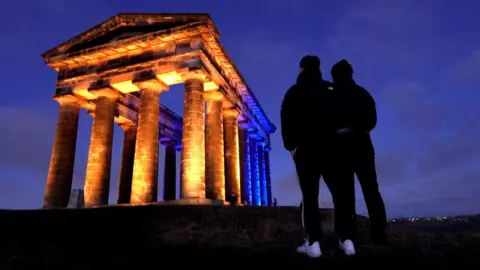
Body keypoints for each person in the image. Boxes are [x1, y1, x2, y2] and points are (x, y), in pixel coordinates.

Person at [329, 59, 388, 252]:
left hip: (340, 145)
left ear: (334, 76)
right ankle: (379, 237)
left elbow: (323, 123)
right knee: (371, 191)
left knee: (344, 194)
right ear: (351, 74)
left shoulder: (330, 96)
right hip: (362, 143)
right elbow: (372, 121)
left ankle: (348, 240)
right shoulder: (363, 94)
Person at [280, 55, 336, 258]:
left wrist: (291, 146)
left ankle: (313, 244)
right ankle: (347, 241)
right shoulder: (330, 89)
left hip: (305, 151)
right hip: (331, 149)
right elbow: (341, 116)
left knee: (309, 198)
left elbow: (286, 119)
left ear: (302, 69)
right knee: (340, 194)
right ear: (319, 69)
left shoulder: (294, 92)